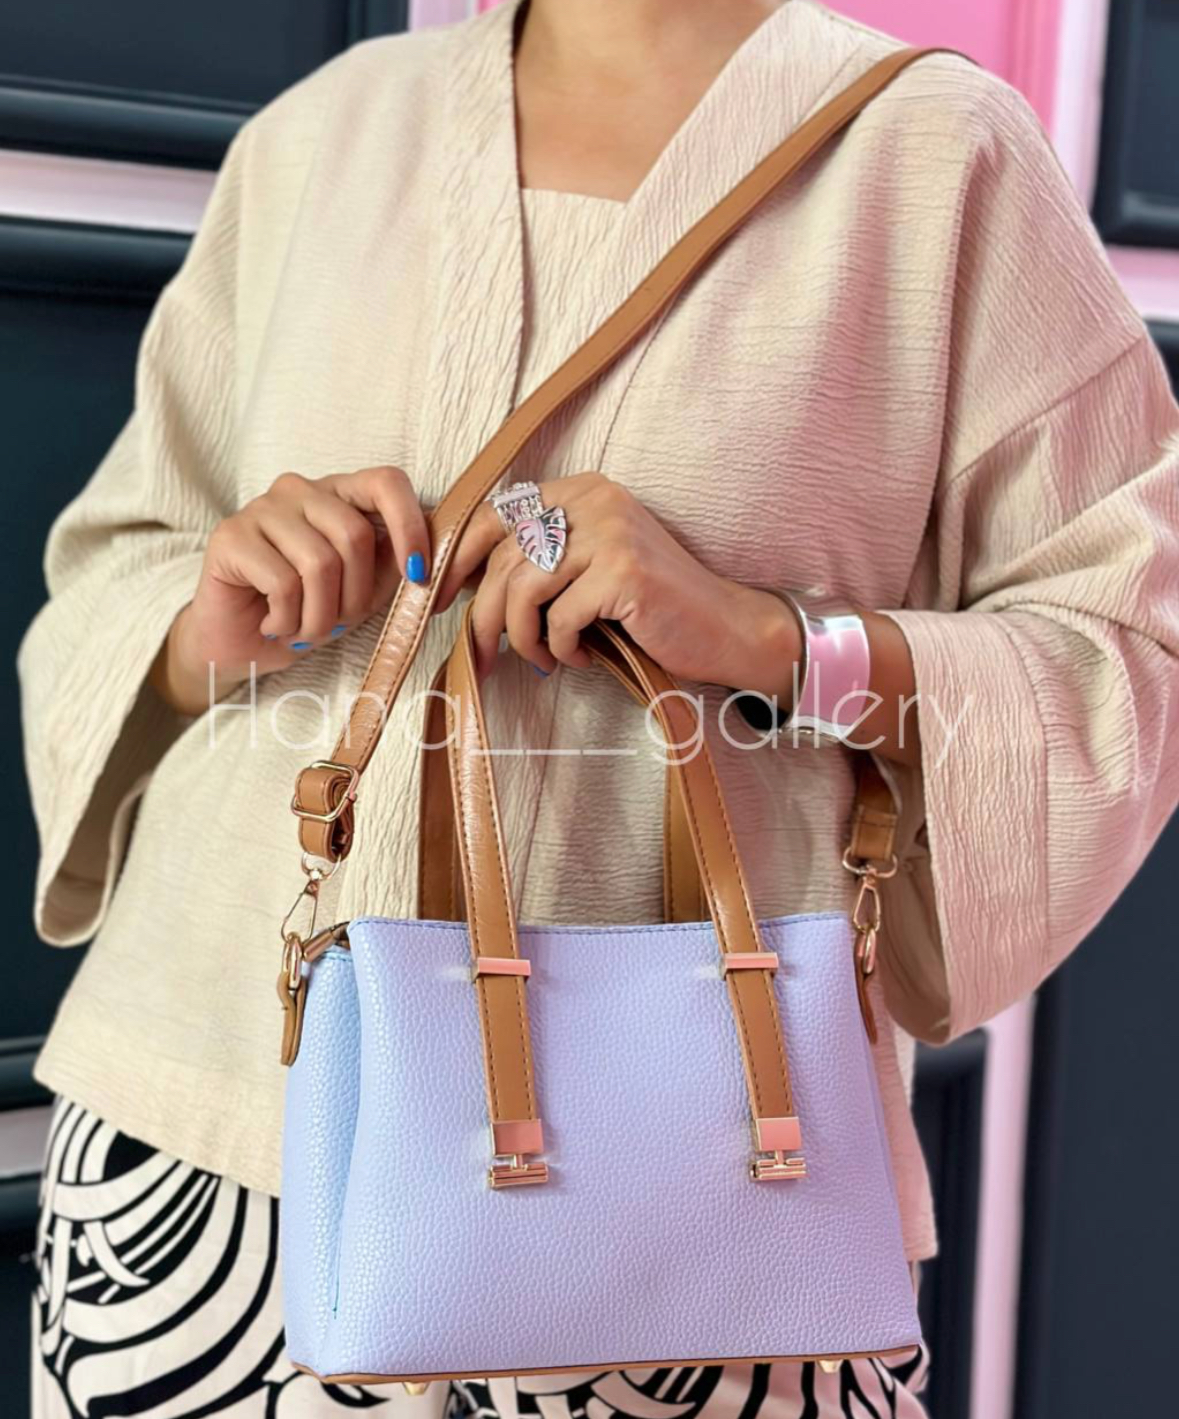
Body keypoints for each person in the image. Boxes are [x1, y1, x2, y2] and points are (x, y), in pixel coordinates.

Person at [18, 0, 1179, 1414]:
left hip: (702, 1184)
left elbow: (1127, 656)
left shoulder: (940, 155)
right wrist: (211, 616)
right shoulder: (321, 133)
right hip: (197, 1156)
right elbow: (116, 565)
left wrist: (770, 640)